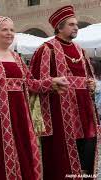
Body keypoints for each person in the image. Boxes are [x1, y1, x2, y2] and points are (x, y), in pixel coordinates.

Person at [0, 16, 69, 180]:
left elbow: (30, 83)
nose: (10, 33)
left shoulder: (16, 57)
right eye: (5, 29)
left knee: (23, 154)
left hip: (20, 117)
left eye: (12, 29)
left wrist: (52, 82)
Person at [30, 5, 99, 179]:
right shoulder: (46, 49)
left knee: (87, 151)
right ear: (59, 27)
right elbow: (32, 83)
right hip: (59, 116)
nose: (76, 27)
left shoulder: (80, 50)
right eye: (71, 24)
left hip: (85, 114)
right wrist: (51, 83)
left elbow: (89, 79)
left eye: (76, 24)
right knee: (64, 159)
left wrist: (91, 85)